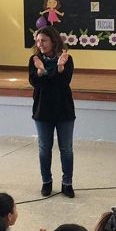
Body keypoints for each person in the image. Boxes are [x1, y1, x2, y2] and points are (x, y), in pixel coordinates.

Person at [29, 26, 76, 198]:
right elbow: (36, 83)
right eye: (38, 40)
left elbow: (63, 83)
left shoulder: (66, 59)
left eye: (44, 40)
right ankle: (46, 182)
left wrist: (60, 67)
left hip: (64, 110)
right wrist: (40, 71)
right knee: (44, 149)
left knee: (66, 149)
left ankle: (67, 183)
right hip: (43, 111)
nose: (40, 44)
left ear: (53, 41)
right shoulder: (34, 59)